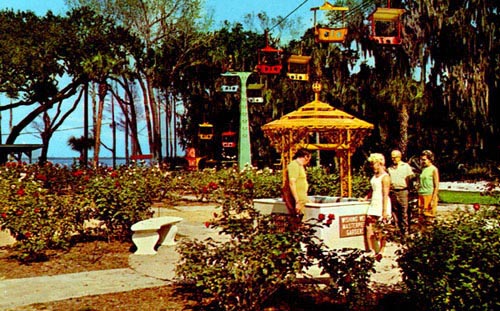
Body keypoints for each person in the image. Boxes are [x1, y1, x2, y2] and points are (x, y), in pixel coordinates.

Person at [365, 153, 392, 258]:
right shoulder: (374, 176)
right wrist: (366, 197)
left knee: (382, 228)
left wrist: (384, 211)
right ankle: (371, 249)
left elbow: (385, 195)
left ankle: (382, 249)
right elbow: (373, 189)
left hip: (382, 203)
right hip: (374, 203)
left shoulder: (385, 177)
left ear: (379, 163)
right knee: (369, 226)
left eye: (374, 164)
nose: (372, 166)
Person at [388, 150, 414, 236]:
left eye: (395, 157)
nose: (393, 159)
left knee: (404, 212)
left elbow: (410, 178)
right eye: (392, 157)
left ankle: (405, 231)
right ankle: (397, 230)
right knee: (394, 212)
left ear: (399, 157)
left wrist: (410, 191)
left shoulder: (405, 166)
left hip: (403, 191)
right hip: (393, 192)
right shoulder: (389, 168)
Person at [286, 148, 312, 216]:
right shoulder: (294, 165)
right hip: (298, 199)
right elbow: (292, 183)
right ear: (306, 156)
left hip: (302, 198)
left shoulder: (300, 166)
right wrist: (297, 201)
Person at [418, 150, 439, 221]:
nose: (422, 161)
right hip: (421, 194)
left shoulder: (434, 169)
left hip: (429, 195)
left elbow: (436, 186)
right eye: (421, 160)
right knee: (421, 217)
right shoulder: (423, 169)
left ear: (430, 159)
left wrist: (433, 199)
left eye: (424, 160)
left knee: (429, 217)